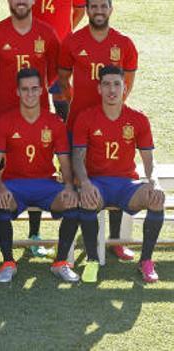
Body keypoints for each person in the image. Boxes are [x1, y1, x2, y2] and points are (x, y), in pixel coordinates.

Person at [58, 0, 138, 262]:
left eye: (103, 6)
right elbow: (62, 78)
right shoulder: (73, 41)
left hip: (113, 122)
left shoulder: (124, 44)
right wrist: (77, 103)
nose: (99, 11)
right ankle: (82, 232)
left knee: (115, 175)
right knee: (81, 176)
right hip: (79, 122)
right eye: (93, 6)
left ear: (110, 9)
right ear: (86, 9)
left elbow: (127, 83)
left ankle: (115, 241)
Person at [0, 0, 59, 257]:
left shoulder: (47, 34)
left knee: (37, 167)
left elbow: (53, 74)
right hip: (3, 112)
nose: (21, 0)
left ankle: (35, 233)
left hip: (39, 114)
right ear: (9, 0)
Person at [0, 68, 81, 283]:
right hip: (14, 184)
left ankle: (60, 263)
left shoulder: (55, 122)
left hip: (46, 184)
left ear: (42, 90)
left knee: (72, 205)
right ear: (18, 92)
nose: (30, 94)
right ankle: (8, 262)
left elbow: (64, 161)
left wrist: (68, 186)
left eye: (34, 89)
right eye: (25, 89)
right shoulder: (5, 121)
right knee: (1, 204)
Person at [72, 66, 163, 283]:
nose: (111, 89)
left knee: (157, 199)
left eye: (116, 84)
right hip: (97, 184)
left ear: (125, 87)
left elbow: (149, 159)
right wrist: (84, 183)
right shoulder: (86, 117)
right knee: (87, 199)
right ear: (99, 88)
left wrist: (154, 182)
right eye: (106, 84)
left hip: (126, 185)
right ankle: (93, 260)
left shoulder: (138, 119)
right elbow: (77, 157)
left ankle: (146, 261)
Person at [11, 0, 86, 121]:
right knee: (30, 92)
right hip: (30, 47)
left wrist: (62, 31)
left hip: (61, 47)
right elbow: (16, 9)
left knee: (61, 92)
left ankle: (64, 141)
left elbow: (79, 9)